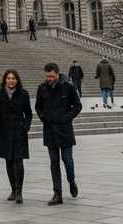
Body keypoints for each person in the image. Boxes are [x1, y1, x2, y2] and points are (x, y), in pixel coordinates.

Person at [35, 62, 82, 206]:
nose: (49, 78)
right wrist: (43, 117)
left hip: (65, 130)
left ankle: (71, 180)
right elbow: (38, 106)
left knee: (67, 160)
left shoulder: (68, 87)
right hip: (50, 130)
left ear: (57, 73)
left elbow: (78, 106)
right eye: (47, 76)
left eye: (52, 76)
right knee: (54, 163)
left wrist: (66, 118)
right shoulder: (42, 88)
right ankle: (57, 193)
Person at [0, 68, 33, 204]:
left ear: (17, 80)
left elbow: (29, 113)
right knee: (8, 160)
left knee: (18, 161)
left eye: (13, 78)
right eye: (8, 78)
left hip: (19, 131)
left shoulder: (23, 93)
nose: (11, 81)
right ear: (5, 80)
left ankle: (19, 191)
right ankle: (13, 189)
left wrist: (25, 126)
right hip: (5, 130)